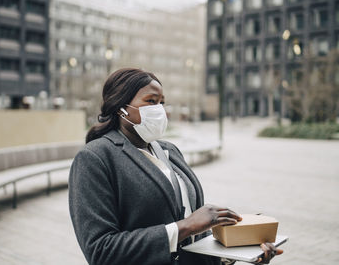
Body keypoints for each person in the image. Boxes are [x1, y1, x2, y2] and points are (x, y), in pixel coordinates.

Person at [68, 68, 283, 265]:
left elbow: (192, 236)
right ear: (121, 108)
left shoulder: (169, 150)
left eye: (161, 102)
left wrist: (237, 250)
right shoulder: (95, 158)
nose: (159, 110)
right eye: (151, 101)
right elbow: (101, 251)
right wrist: (186, 226)